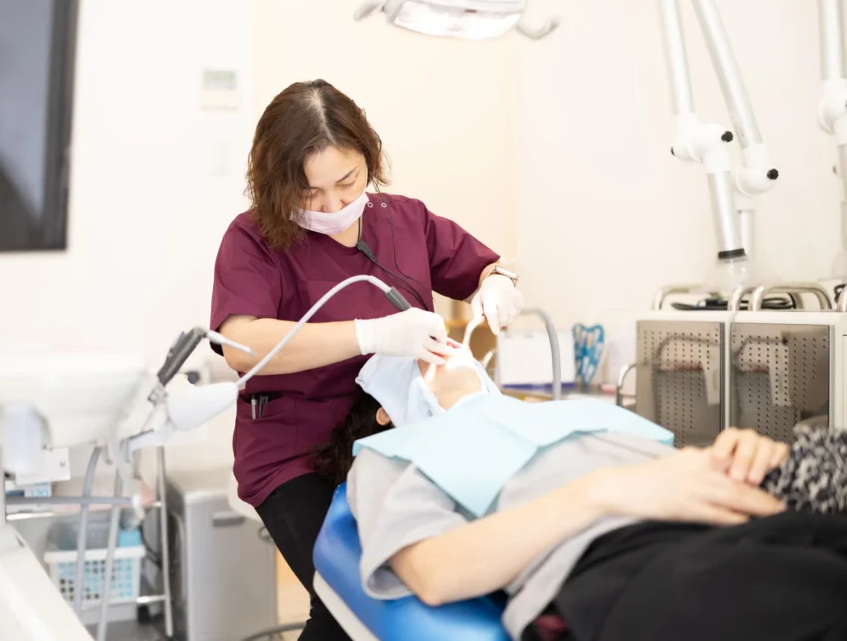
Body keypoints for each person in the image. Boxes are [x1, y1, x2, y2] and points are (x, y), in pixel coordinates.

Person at [210, 79, 523, 640]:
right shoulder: (252, 239)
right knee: (346, 601)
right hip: (297, 454)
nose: (332, 205)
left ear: (369, 157)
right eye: (309, 191)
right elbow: (240, 344)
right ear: (276, 182)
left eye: (347, 182)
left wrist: (498, 282)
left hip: (398, 444)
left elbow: (483, 268)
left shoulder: (406, 220)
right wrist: (370, 334)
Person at [311, 351, 847, 641]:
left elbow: (676, 475)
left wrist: (747, 453)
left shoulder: (563, 412)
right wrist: (604, 493)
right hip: (634, 562)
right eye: (419, 353)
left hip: (754, 515)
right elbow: (434, 573)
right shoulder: (393, 454)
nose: (442, 345)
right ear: (385, 409)